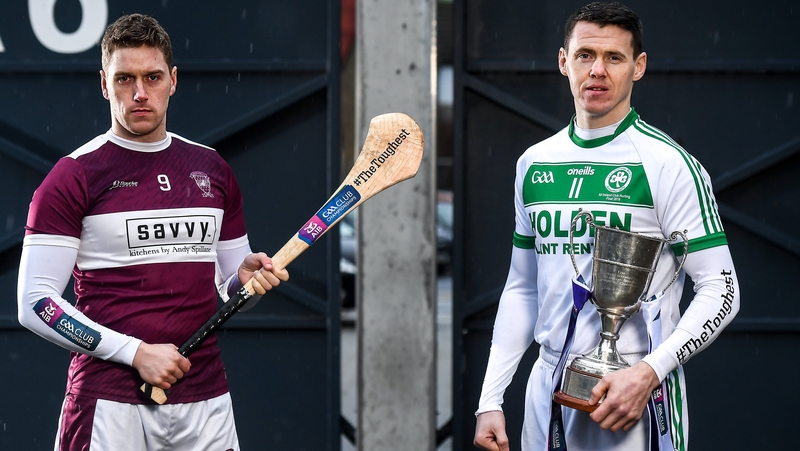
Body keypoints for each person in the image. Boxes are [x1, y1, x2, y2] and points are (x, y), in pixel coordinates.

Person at [473, 2, 739, 451]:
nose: (597, 70)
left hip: (635, 392)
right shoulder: (535, 164)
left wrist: (650, 371)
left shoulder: (668, 164)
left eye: (614, 58)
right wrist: (490, 398)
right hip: (549, 388)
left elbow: (722, 289)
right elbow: (522, 288)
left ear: (638, 67)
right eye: (585, 55)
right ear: (563, 61)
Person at [16, 13, 288, 451]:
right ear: (104, 83)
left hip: (206, 400)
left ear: (173, 80)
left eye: (152, 77)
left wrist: (245, 282)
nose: (140, 93)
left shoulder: (211, 168)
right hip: (108, 403)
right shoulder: (73, 176)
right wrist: (135, 353)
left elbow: (228, 291)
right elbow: (35, 304)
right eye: (124, 78)